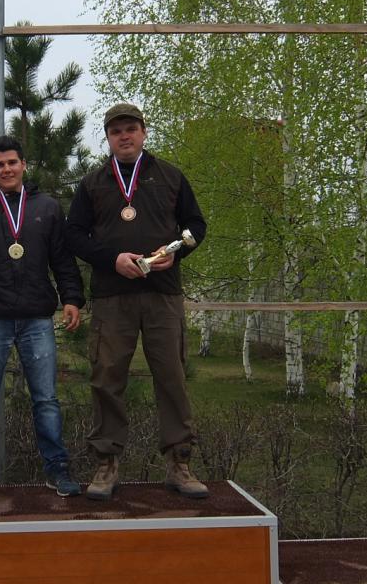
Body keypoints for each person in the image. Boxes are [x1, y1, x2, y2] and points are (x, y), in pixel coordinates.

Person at [66, 103, 209, 500]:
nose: (124, 136)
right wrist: (111, 259)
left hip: (163, 294)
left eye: (130, 129)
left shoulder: (171, 177)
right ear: (108, 138)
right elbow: (74, 234)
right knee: (107, 377)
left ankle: (180, 463)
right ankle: (106, 463)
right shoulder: (93, 183)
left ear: (144, 132)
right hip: (112, 297)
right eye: (116, 131)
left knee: (172, 377)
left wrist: (177, 253)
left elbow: (196, 225)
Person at [0, 135, 85, 502]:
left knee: (46, 399)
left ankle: (57, 469)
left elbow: (62, 259)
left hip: (37, 318)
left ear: (24, 164)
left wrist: (72, 298)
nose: (6, 169)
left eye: (12, 162)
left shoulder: (48, 207)